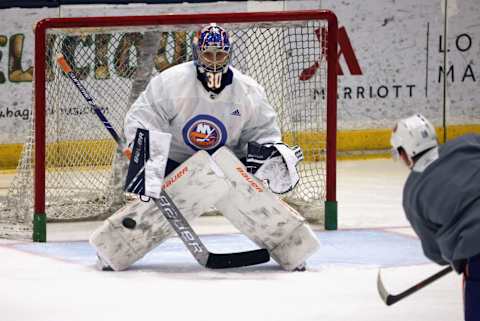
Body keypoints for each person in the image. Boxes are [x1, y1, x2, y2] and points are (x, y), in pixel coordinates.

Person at [90, 23, 319, 272]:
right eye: (208, 54)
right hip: (174, 163)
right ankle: (112, 248)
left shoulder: (248, 90)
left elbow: (263, 131)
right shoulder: (171, 82)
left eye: (220, 54)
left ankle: (291, 246)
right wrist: (145, 153)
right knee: (151, 205)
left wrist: (267, 157)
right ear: (196, 52)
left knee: (253, 195)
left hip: (226, 161)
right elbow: (143, 117)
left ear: (229, 54)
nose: (213, 61)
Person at [390, 113, 480, 321]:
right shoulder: (469, 142)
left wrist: (457, 255)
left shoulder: (413, 192)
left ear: (405, 152)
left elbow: (435, 252)